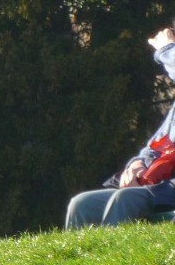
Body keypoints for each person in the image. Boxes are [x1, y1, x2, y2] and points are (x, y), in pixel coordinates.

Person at [66, 26, 175, 229]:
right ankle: (71, 260)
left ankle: (108, 262)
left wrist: (167, 49)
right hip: (157, 184)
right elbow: (156, 145)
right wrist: (137, 164)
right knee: (81, 204)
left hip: (168, 188)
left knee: (124, 199)